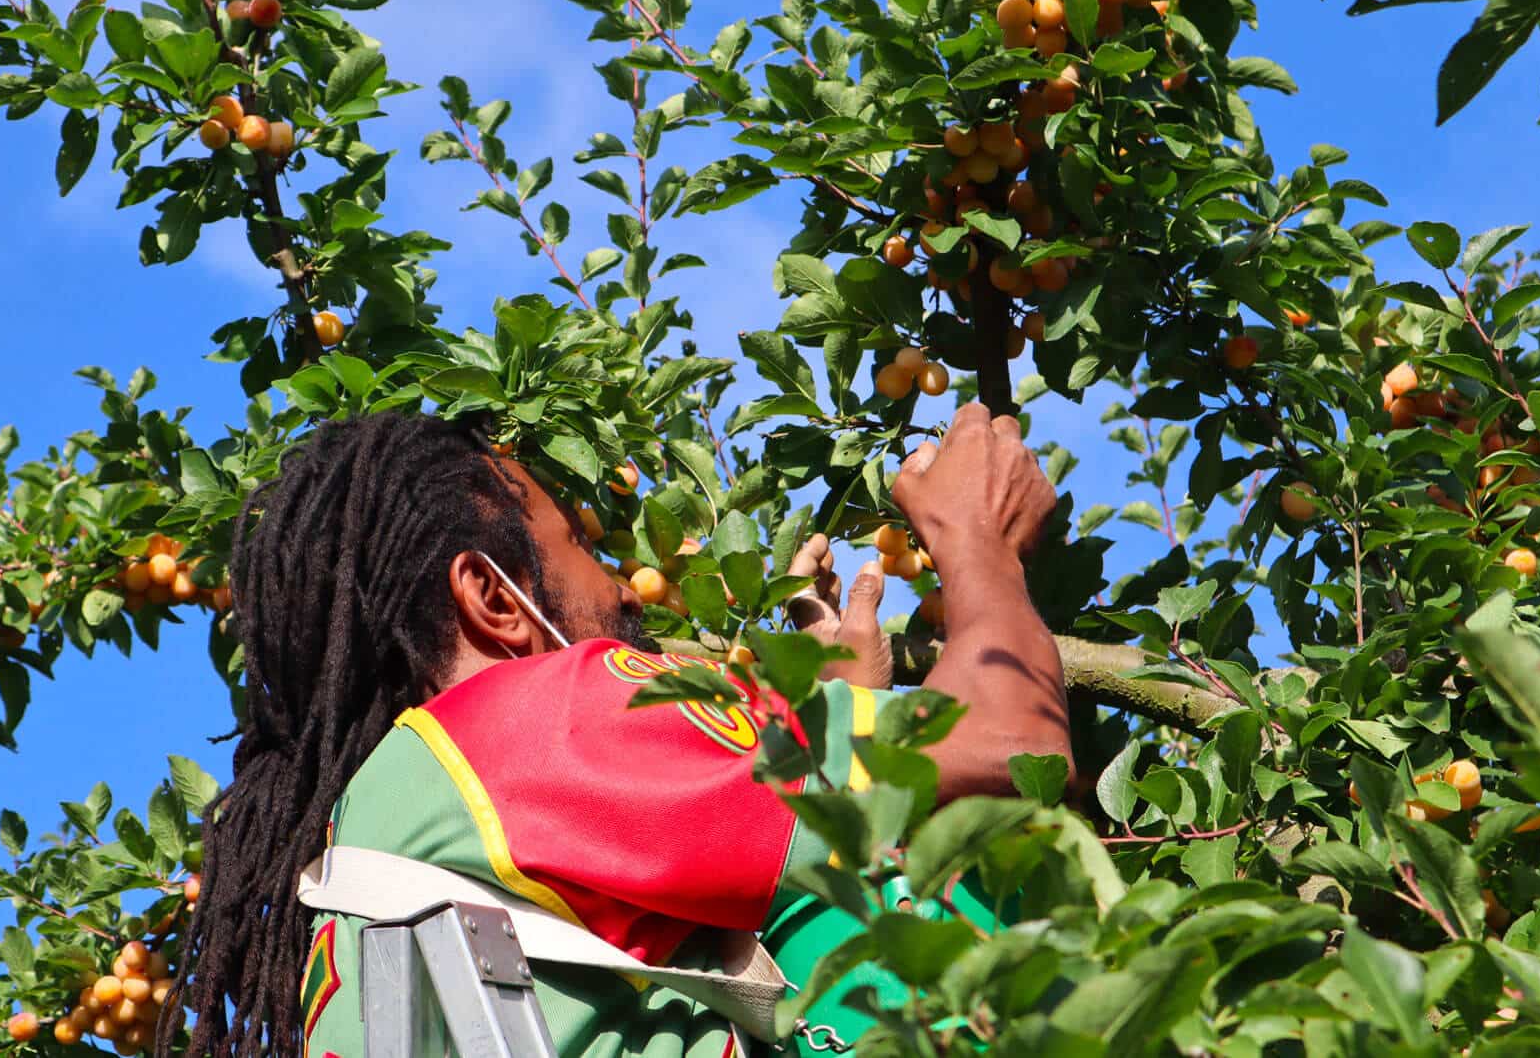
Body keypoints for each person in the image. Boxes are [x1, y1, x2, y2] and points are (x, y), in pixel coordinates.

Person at [170, 401, 1071, 1058]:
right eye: (584, 550)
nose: (621, 591)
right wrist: (976, 540)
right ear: (493, 597)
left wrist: (832, 716)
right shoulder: (536, 717)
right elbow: (1013, 745)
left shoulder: (389, 851)